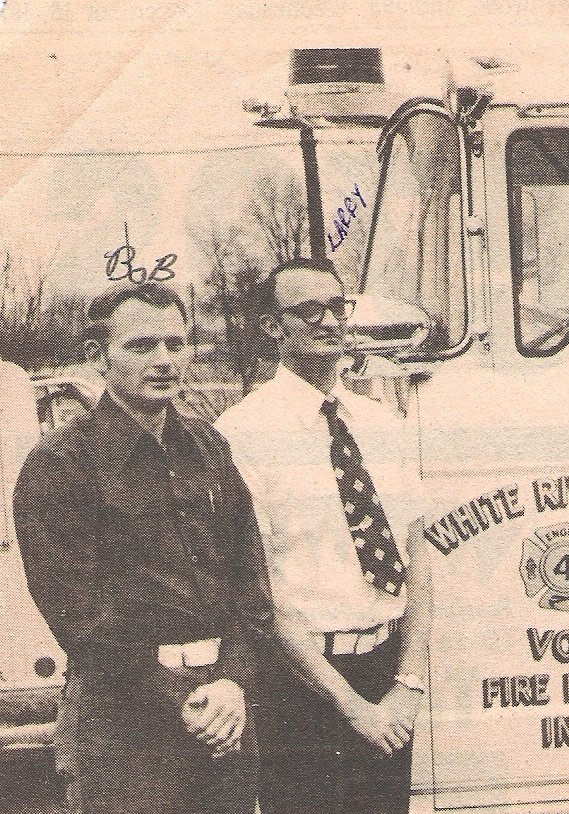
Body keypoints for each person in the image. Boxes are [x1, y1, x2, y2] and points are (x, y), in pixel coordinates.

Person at [12, 281, 274, 814]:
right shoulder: (61, 464)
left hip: (223, 707)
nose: (163, 361)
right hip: (127, 721)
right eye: (140, 346)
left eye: (175, 345)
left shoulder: (207, 445)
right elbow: (77, 614)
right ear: (97, 356)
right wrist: (180, 700)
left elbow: (249, 577)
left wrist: (232, 682)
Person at [216, 257, 432, 814]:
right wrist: (354, 708)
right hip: (301, 686)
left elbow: (417, 557)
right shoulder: (241, 435)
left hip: (385, 673)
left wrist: (406, 686)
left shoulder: (382, 424)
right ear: (270, 327)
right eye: (306, 311)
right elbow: (259, 593)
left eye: (337, 308)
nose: (327, 322)